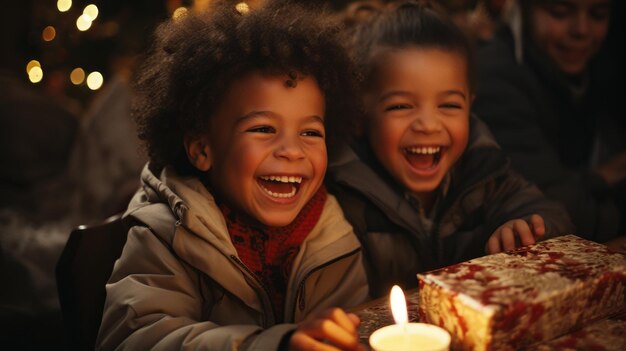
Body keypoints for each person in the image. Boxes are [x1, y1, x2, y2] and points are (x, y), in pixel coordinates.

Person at [95, 1, 369, 350]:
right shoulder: (166, 235)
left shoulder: (330, 231)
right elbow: (133, 339)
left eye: (311, 132)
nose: (293, 151)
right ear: (202, 150)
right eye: (264, 128)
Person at [327, 0, 574, 298]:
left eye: (449, 105)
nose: (429, 125)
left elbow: (551, 213)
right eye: (401, 106)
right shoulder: (343, 200)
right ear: (360, 116)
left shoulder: (483, 173)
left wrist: (525, 226)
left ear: (470, 105)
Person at [472, 0, 626, 242]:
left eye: (598, 14)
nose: (582, 30)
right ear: (524, 10)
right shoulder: (495, 77)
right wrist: (601, 178)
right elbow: (559, 211)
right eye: (560, 12)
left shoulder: (601, 68)